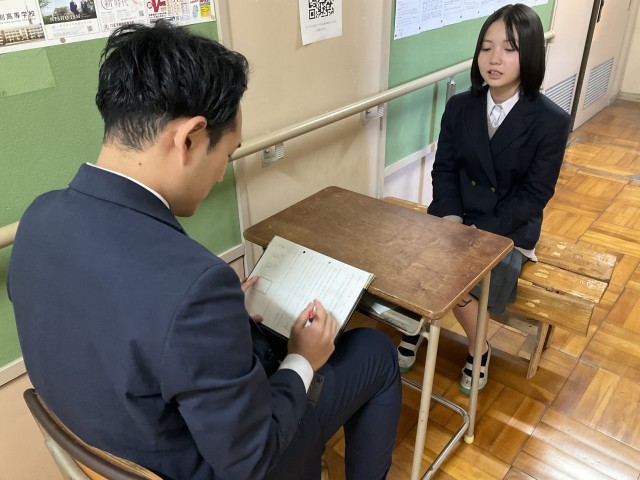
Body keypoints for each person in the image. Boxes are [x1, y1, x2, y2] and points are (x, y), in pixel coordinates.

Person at [8, 22, 401, 480]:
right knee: (374, 349)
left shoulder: (38, 218)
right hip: (227, 463)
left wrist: (218, 322)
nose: (219, 175)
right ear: (190, 138)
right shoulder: (192, 287)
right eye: (227, 155)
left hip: (114, 442)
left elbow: (119, 319)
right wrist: (302, 359)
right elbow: (252, 458)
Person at [397, 4, 570, 394]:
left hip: (506, 227)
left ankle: (479, 349)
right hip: (455, 216)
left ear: (531, 55)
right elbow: (445, 169)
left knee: (462, 283)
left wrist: (480, 231)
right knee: (414, 258)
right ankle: (416, 324)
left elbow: (535, 194)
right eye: (486, 47)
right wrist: (451, 218)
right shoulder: (461, 106)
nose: (494, 59)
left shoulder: (550, 120)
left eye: (509, 49)